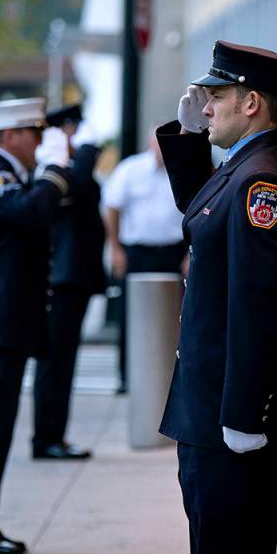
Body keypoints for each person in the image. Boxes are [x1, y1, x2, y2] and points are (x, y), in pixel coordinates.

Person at [156, 40, 277, 554]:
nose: (205, 105)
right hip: (210, 405)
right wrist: (191, 138)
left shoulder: (262, 182)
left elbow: (256, 307)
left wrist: (243, 416)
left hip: (232, 414)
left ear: (251, 103)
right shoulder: (245, 168)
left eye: (216, 97)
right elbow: (201, 214)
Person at [0, 97, 80, 554]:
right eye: (33, 132)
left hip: (7, 322)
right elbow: (33, 212)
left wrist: (50, 174)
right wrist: (53, 172)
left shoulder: (10, 176)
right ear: (10, 136)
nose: (39, 140)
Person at [30, 104, 104, 459]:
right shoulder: (53, 168)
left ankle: (53, 434)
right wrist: (86, 151)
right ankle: (46, 437)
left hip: (75, 276)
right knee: (55, 362)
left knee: (63, 361)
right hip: (60, 276)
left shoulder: (68, 168)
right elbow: (75, 184)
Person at [103, 128, 186, 394]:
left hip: (174, 252)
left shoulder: (183, 170)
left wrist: (189, 254)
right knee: (131, 315)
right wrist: (115, 249)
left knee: (179, 316)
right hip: (137, 253)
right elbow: (112, 208)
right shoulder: (131, 169)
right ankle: (127, 377)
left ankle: (174, 377)